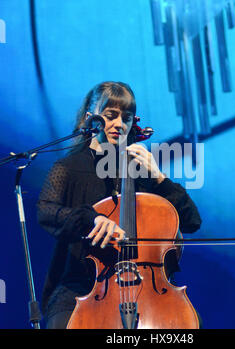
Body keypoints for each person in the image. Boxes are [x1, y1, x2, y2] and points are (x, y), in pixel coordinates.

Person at [37, 81, 202, 329]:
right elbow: (46, 211)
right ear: (91, 118)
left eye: (126, 118)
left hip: (147, 288)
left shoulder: (141, 170)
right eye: (111, 116)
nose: (119, 125)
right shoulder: (69, 168)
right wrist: (90, 218)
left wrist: (159, 177)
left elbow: (191, 222)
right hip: (82, 286)